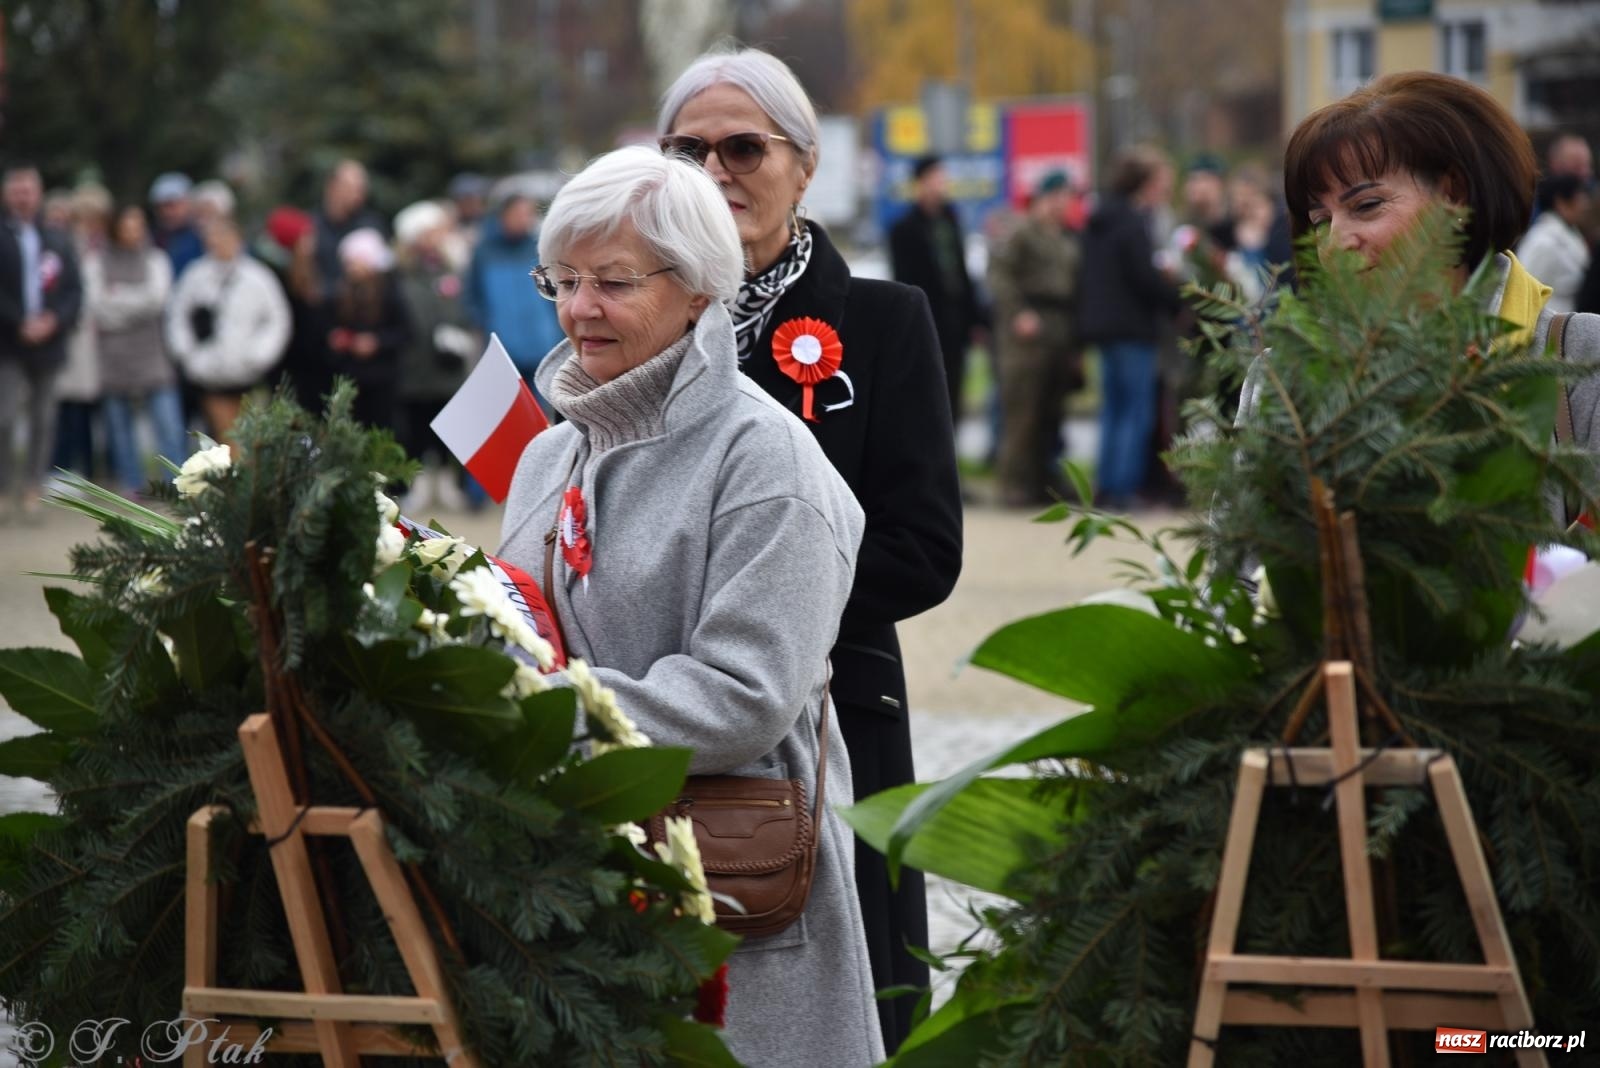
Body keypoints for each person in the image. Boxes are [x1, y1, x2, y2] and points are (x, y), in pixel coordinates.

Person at [496, 145, 881, 1066]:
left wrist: (537, 716)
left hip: (729, 908)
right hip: (568, 901)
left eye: (614, 282)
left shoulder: (767, 461)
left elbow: (743, 697)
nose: (579, 308)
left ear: (702, 289)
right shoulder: (548, 456)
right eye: (565, 278)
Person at [658, 45, 963, 1053]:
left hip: (830, 707)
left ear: (803, 164)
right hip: (664, 702)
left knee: (853, 989)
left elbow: (922, 547)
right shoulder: (624, 326)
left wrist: (757, 608)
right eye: (687, 150)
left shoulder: (882, 321)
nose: (715, 172)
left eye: (743, 147)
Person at [1268, 71, 1600, 511]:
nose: (1335, 244)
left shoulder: (1580, 355)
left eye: (1366, 206)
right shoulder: (1284, 380)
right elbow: (1237, 572)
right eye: (1320, 222)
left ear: (1453, 196)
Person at [1077, 145, 1182, 511]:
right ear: (1146, 183)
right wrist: (1176, 296)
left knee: (1112, 408)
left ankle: (1106, 484)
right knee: (1136, 410)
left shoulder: (1100, 219)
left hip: (1103, 327)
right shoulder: (1134, 222)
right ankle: (1123, 488)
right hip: (1134, 327)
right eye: (1161, 183)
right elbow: (1144, 278)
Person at [986, 170, 1082, 507]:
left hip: (1059, 326)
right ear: (1040, 198)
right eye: (1054, 198)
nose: (1060, 205)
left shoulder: (1066, 238)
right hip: (1026, 330)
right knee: (1022, 409)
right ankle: (1013, 484)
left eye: (1065, 199)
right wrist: (1017, 313)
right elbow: (998, 275)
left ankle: (1043, 481)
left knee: (1050, 412)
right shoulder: (1021, 231)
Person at [0, 162, 83, 521]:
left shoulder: (58, 239)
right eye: (16, 190)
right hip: (8, 342)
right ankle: (4, 488)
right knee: (4, 418)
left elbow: (74, 290)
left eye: (28, 190)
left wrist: (54, 320)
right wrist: (19, 322)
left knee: (43, 419)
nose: (22, 196)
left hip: (49, 344)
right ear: (7, 195)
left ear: (39, 193)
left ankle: (34, 486)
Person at [83, 205, 184, 493]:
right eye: (127, 226)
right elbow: (97, 306)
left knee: (168, 425)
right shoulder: (96, 262)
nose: (133, 232)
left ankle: (175, 484)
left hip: (153, 354)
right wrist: (135, 303)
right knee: (119, 427)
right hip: (113, 357)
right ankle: (132, 485)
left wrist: (118, 298)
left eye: (138, 225)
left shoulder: (156, 259)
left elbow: (157, 299)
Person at [165, 217, 291, 443]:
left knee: (248, 435)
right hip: (209, 373)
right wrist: (189, 355)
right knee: (223, 435)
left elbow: (277, 319)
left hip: (247, 372)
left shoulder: (258, 277)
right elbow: (177, 317)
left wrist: (259, 355)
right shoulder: (195, 276)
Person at [888, 154, 986, 423]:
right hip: (927, 318)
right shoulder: (904, 229)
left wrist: (975, 318)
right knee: (926, 391)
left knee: (954, 389)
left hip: (955, 321)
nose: (941, 184)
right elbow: (903, 280)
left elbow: (960, 271)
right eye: (935, 178)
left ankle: (951, 450)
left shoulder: (950, 220)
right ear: (920, 183)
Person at [392, 200, 475, 511]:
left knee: (448, 427)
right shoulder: (401, 273)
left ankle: (447, 483)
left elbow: (462, 306)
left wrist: (459, 331)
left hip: (447, 366)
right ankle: (419, 483)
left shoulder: (449, 268)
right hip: (414, 365)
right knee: (415, 428)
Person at [466, 191, 563, 399]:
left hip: (542, 344)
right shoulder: (484, 252)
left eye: (528, 214)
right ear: (503, 215)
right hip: (502, 346)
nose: (524, 219)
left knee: (545, 408)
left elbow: (555, 293)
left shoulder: (540, 249)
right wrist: (484, 325)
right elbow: (473, 296)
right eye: (519, 213)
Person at [324, 228, 410, 431]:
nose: (351, 268)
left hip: (382, 379)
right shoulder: (339, 294)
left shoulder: (390, 294)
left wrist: (377, 343)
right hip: (349, 377)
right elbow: (326, 332)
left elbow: (405, 333)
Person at [1516, 173, 1592, 314]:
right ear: (1561, 202)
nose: (1585, 204)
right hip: (1546, 324)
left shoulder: (1571, 233)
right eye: (1580, 197)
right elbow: (1523, 288)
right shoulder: (1543, 240)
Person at [148, 171, 204, 279]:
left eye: (173, 205)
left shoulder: (201, 237)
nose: (168, 212)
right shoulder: (151, 237)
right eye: (163, 206)